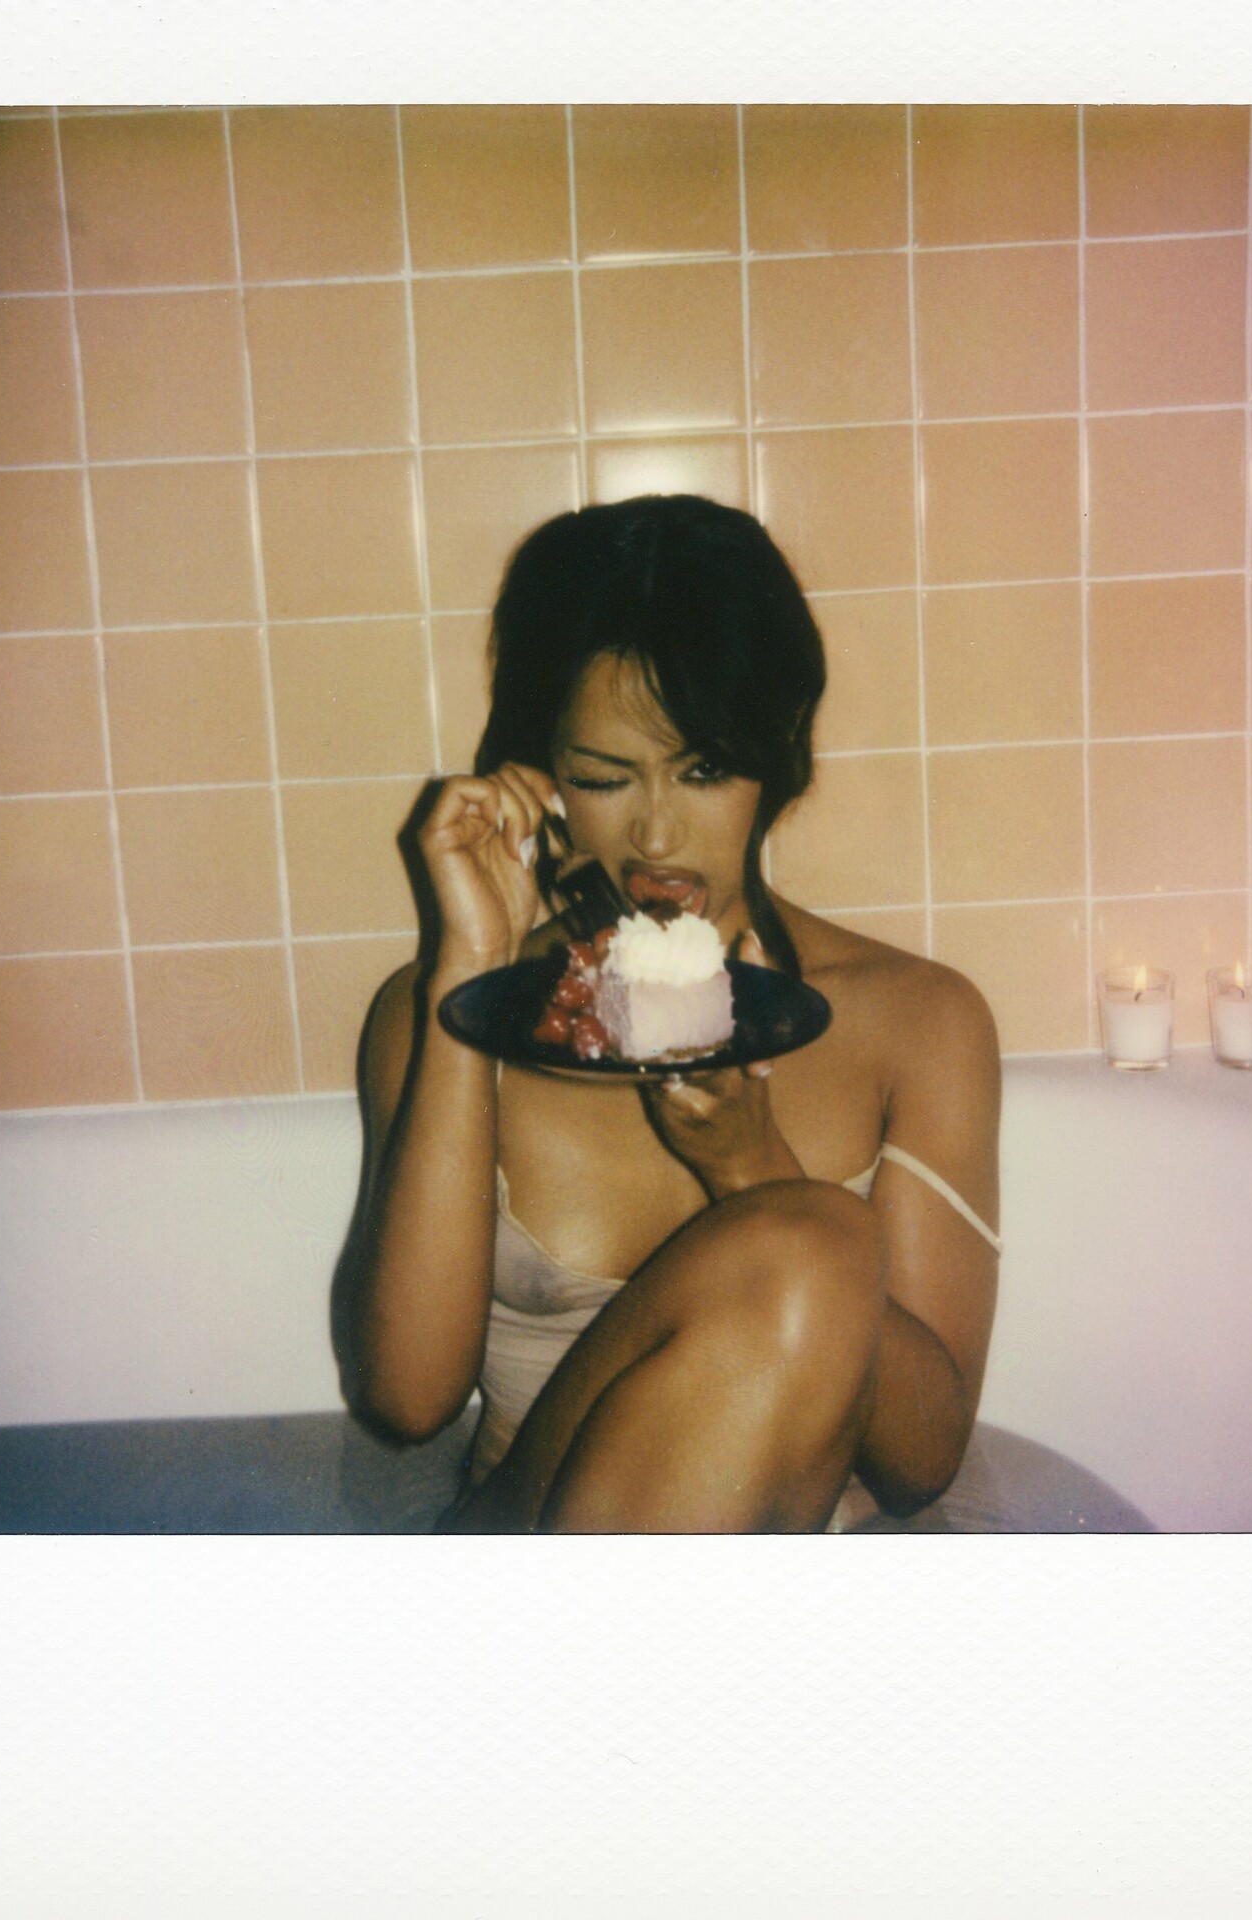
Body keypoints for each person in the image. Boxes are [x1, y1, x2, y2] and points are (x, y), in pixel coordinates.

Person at [338, 494, 1001, 1533]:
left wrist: (749, 1165)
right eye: (603, 778)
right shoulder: (465, 1007)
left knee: (807, 1245)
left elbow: (921, 1461)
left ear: (776, 756)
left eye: (703, 770)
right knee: (812, 1243)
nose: (654, 834)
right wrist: (468, 968)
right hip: (535, 1568)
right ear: (543, 780)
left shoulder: (918, 1022)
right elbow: (405, 1401)